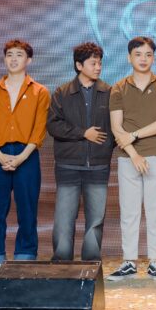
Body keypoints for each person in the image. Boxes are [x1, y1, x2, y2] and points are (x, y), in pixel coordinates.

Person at [0, 39, 50, 281]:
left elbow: (39, 129)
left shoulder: (40, 92)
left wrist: (20, 157)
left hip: (26, 154)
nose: (14, 59)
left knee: (27, 210)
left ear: (29, 60)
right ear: (4, 59)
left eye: (19, 55)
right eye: (9, 54)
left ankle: (24, 260)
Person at [107, 37, 156, 282]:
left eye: (148, 54)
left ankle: (155, 262)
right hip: (128, 157)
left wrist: (135, 135)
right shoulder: (119, 88)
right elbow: (116, 127)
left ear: (154, 58)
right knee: (129, 211)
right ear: (129, 58)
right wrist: (134, 153)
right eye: (138, 54)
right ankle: (129, 261)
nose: (143, 59)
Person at [47, 42, 114, 262]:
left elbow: (116, 127)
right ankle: (62, 261)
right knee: (64, 218)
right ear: (79, 65)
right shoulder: (62, 93)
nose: (98, 67)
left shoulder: (109, 92)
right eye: (93, 63)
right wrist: (83, 133)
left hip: (98, 165)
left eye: (100, 63)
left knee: (96, 219)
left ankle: (91, 263)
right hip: (68, 165)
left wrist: (104, 147)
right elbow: (53, 125)